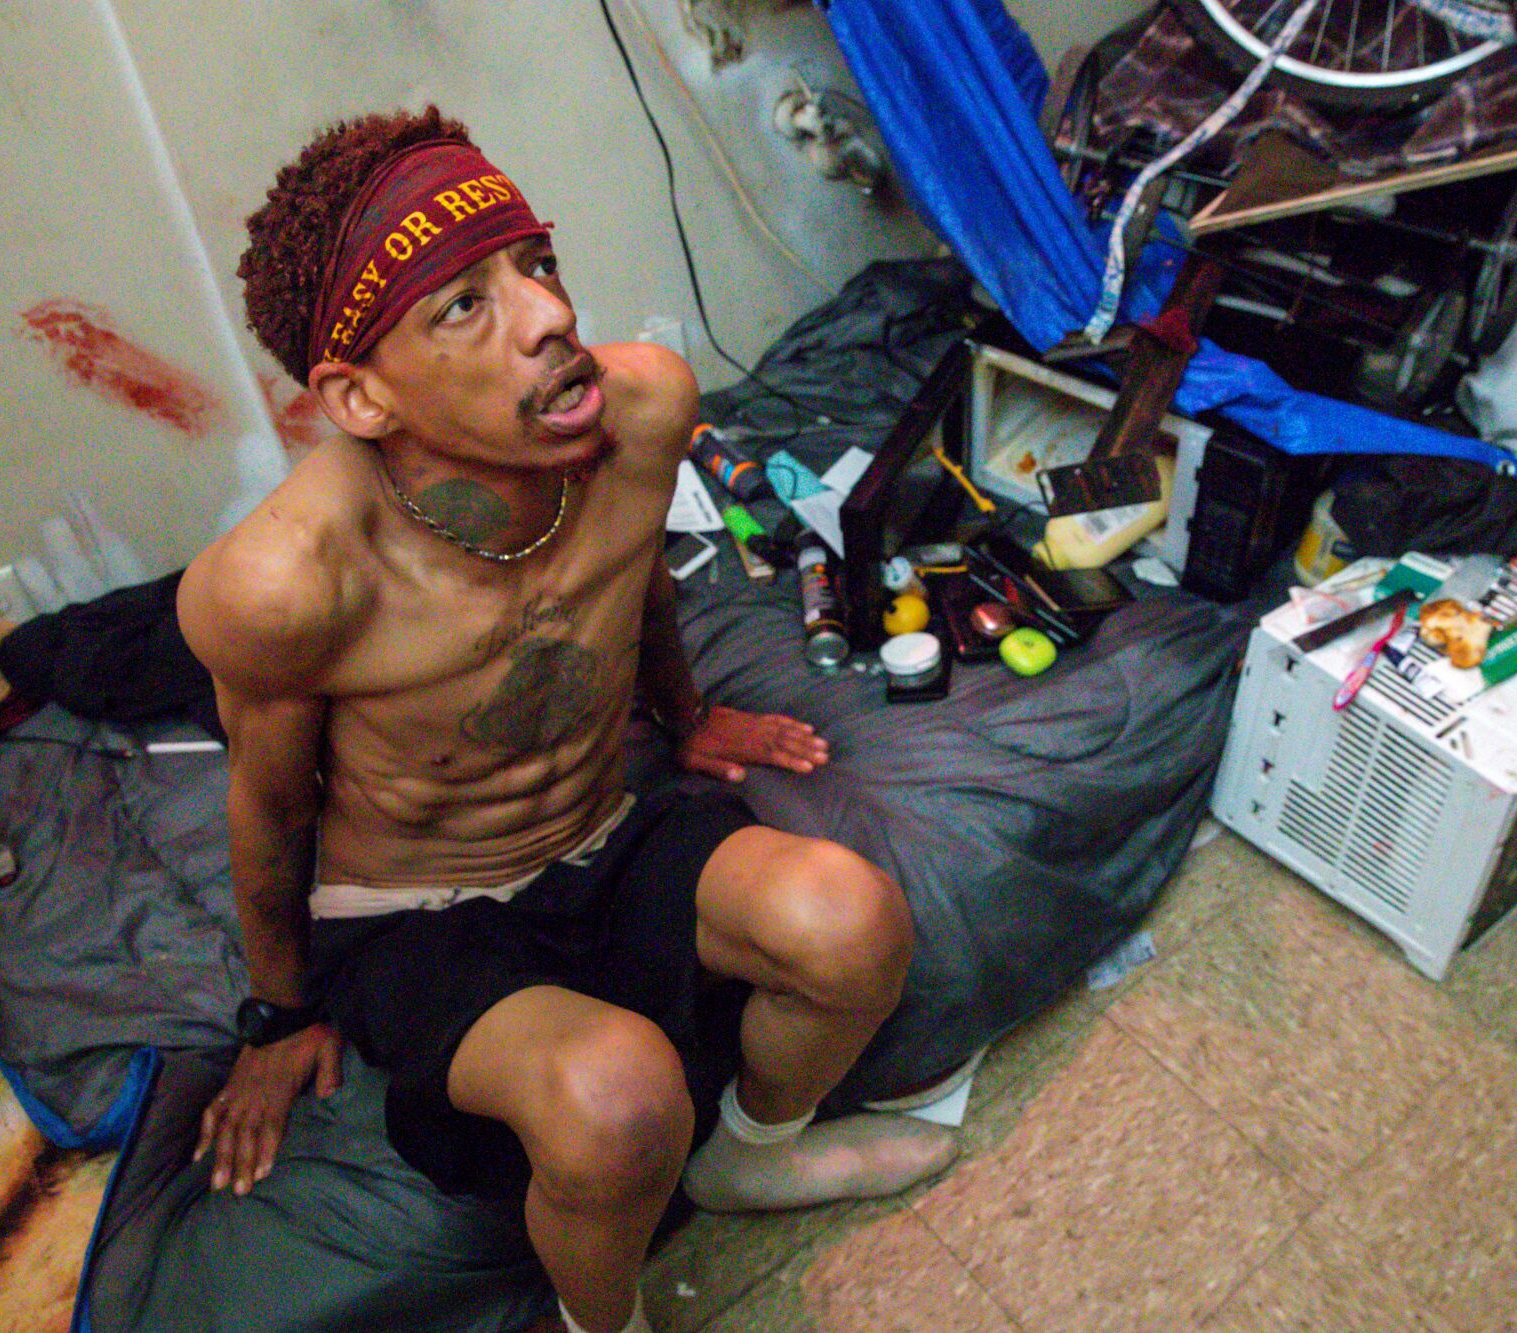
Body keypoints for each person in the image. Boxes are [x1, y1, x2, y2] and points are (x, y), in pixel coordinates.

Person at [176, 106, 958, 1333]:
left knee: (853, 924)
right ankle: (607, 1322)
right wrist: (277, 1015)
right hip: (418, 914)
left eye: (534, 263)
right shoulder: (284, 583)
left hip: (604, 826)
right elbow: (269, 805)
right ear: (362, 395)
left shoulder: (640, 416)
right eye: (463, 307)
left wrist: (685, 717)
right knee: (617, 1102)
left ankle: (749, 1151)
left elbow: (631, 570)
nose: (549, 318)